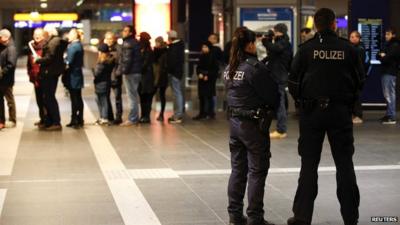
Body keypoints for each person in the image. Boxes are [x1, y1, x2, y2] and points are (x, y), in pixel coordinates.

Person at [287, 8, 365, 225]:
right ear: (333, 25)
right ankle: (351, 217)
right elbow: (360, 81)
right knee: (344, 164)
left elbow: (292, 82)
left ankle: (302, 217)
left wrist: (303, 102)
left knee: (309, 165)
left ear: (315, 25)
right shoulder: (348, 49)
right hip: (340, 113)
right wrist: (349, 102)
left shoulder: (305, 50)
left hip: (312, 113)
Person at [225, 27, 279, 225]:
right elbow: (273, 95)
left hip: (234, 125)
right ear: (249, 44)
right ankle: (255, 218)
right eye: (254, 42)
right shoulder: (254, 68)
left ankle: (235, 215)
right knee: (257, 171)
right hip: (253, 126)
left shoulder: (230, 67)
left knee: (238, 170)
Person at [262, 23, 293, 139]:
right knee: (277, 103)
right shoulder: (280, 42)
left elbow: (275, 49)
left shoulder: (283, 43)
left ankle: (281, 130)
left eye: (274, 32)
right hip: (276, 76)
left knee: (280, 104)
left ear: (278, 31)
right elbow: (272, 55)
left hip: (279, 77)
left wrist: (265, 41)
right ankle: (279, 128)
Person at [35, 25, 68, 131]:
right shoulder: (54, 41)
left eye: (45, 32)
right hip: (51, 72)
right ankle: (49, 121)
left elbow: (50, 57)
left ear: (49, 33)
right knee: (48, 97)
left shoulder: (53, 42)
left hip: (49, 73)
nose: (43, 34)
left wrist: (38, 60)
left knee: (49, 97)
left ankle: (55, 122)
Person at [118, 25, 143, 126]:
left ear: (131, 33)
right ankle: (134, 117)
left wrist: (122, 71)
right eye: (123, 30)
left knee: (131, 96)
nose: (123, 32)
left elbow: (127, 60)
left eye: (126, 31)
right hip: (136, 72)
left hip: (130, 73)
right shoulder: (135, 42)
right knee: (134, 95)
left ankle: (133, 118)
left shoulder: (128, 43)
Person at [377, 27, 400, 125]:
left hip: (390, 72)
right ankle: (389, 114)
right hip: (386, 72)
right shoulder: (388, 45)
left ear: (393, 35)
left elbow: (386, 58)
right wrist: (381, 56)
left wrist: (383, 56)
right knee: (387, 95)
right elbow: (378, 55)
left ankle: (392, 117)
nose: (386, 36)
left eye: (388, 34)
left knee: (389, 94)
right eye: (386, 34)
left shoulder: (395, 45)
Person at [193, 41, 219, 120]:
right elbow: (198, 67)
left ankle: (210, 113)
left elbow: (215, 70)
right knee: (201, 96)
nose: (203, 49)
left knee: (209, 96)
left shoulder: (213, 57)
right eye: (203, 47)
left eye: (205, 47)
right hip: (201, 79)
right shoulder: (202, 56)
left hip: (209, 80)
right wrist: (199, 74)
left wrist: (208, 76)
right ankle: (202, 113)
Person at [65, 28, 84, 129]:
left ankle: (75, 119)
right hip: (77, 74)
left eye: (70, 34)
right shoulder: (79, 45)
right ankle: (79, 118)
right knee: (78, 97)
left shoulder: (73, 46)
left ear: (75, 36)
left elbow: (69, 61)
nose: (68, 35)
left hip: (73, 75)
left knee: (74, 98)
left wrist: (63, 60)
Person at [27, 28, 46, 126]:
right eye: (35, 34)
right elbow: (29, 64)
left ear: (43, 36)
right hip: (35, 78)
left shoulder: (45, 47)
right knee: (39, 100)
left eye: (39, 34)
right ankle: (42, 119)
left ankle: (47, 120)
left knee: (45, 100)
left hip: (43, 78)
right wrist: (30, 74)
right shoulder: (32, 48)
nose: (36, 36)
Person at [93, 43, 115, 125]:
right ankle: (102, 117)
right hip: (105, 83)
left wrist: (94, 71)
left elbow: (97, 73)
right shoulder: (109, 61)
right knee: (101, 100)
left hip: (101, 83)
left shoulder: (102, 62)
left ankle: (104, 117)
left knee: (102, 101)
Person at [104, 31, 123, 124]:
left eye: (110, 38)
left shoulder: (118, 49)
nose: (109, 40)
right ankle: (109, 116)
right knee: (106, 97)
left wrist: (117, 73)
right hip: (107, 76)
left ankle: (118, 116)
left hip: (115, 76)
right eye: (107, 38)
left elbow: (120, 62)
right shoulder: (105, 48)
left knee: (117, 98)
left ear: (114, 39)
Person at [0, 29, 17, 130]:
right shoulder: (4, 47)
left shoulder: (11, 48)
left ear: (5, 37)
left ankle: (12, 119)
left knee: (9, 100)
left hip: (7, 79)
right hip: (3, 79)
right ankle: (3, 120)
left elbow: (11, 64)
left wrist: (2, 72)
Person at [166, 30, 185, 123]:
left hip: (174, 73)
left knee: (177, 94)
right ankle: (177, 114)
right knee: (177, 94)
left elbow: (172, 62)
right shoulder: (178, 46)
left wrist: (169, 70)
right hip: (176, 73)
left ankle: (178, 115)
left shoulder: (174, 47)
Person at [349, 31, 367, 124]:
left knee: (357, 96)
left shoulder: (359, 49)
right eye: (350, 37)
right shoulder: (355, 48)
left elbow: (358, 65)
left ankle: (358, 115)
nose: (351, 38)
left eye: (353, 37)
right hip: (354, 77)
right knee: (353, 96)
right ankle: (354, 115)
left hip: (357, 77)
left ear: (358, 38)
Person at [138, 32, 155, 124]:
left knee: (146, 97)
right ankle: (144, 115)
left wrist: (138, 68)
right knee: (144, 97)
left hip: (146, 77)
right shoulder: (145, 49)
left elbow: (145, 64)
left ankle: (146, 116)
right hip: (145, 77)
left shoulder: (147, 51)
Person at [153, 36, 169, 122]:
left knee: (162, 95)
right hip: (156, 75)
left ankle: (161, 114)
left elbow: (164, 65)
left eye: (158, 42)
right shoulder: (156, 51)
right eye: (156, 42)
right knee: (155, 94)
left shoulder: (165, 51)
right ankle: (159, 114)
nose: (156, 44)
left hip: (162, 76)